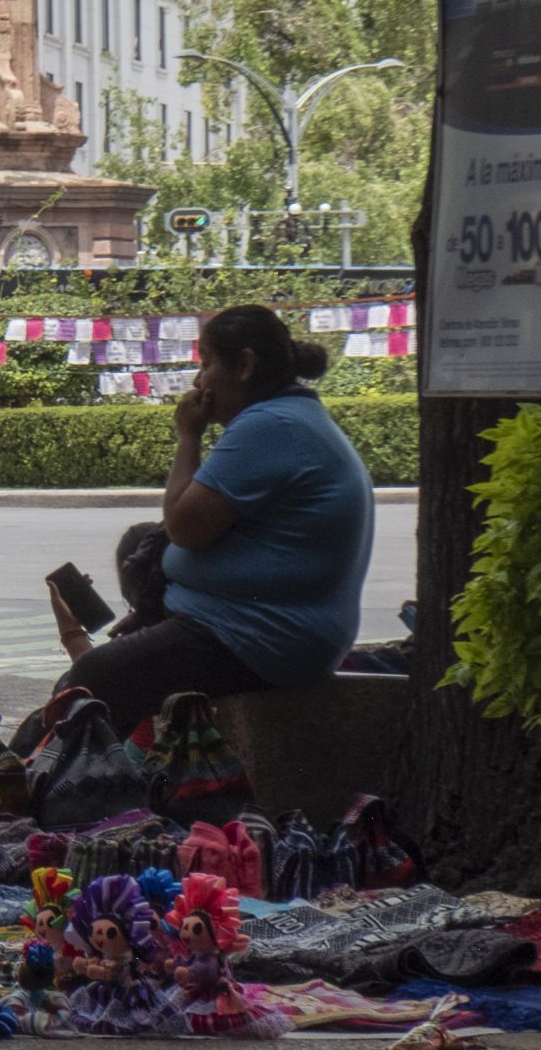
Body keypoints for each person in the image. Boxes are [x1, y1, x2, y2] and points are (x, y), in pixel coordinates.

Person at [49, 305, 374, 735]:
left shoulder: (268, 425)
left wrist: (189, 436)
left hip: (262, 639)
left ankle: (28, 780)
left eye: (206, 364)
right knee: (142, 541)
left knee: (91, 679)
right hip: (259, 623)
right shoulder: (288, 416)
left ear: (245, 365)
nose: (199, 381)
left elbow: (185, 527)